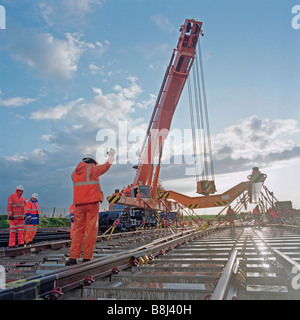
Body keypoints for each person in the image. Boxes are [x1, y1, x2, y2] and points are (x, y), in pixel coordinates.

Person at [66, 149, 116, 265]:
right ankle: (87, 257)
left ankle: (73, 257)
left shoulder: (73, 174)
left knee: (78, 231)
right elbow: (106, 166)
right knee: (91, 231)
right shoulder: (92, 170)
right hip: (91, 205)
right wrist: (111, 156)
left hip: (78, 206)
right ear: (92, 162)